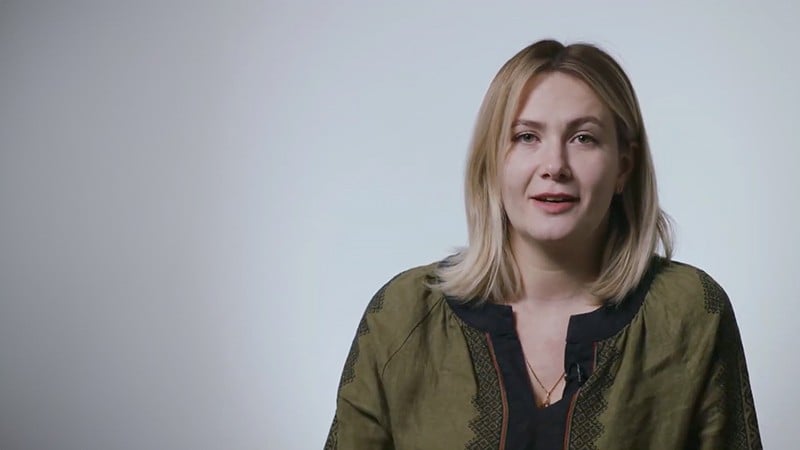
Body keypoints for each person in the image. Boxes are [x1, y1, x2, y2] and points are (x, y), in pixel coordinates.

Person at [323, 39, 762, 450]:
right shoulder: (402, 316)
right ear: (492, 162)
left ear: (623, 167)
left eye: (583, 138)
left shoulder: (690, 313)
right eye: (526, 137)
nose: (554, 165)